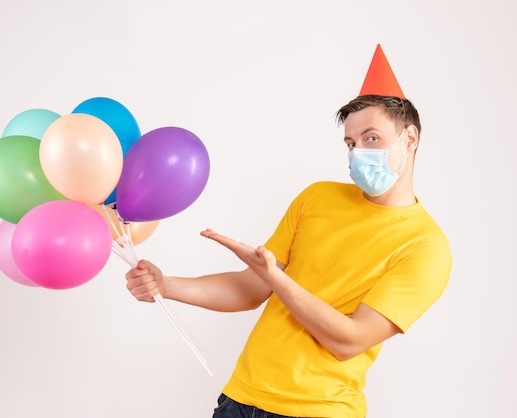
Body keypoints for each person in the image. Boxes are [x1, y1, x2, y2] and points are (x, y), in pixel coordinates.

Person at [124, 44, 453, 417]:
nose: (358, 152)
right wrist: (165, 285)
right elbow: (251, 288)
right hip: (239, 401)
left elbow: (348, 340)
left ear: (409, 139)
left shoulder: (426, 247)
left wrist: (275, 278)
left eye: (371, 138)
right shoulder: (318, 198)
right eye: (351, 142)